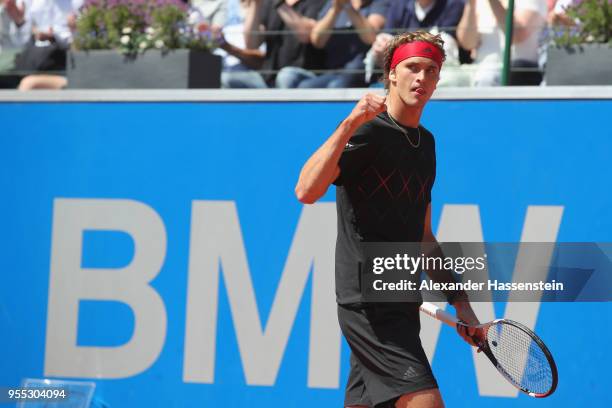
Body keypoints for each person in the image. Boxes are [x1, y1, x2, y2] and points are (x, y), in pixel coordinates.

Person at [295, 31, 481, 407]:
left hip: (398, 296)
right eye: (413, 68)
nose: (422, 79)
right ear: (392, 74)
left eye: (431, 70)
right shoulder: (367, 131)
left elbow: (424, 237)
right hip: (366, 300)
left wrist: (461, 304)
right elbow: (306, 191)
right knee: (426, 400)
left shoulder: (426, 144)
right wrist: (349, 123)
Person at [278, 0, 388, 88]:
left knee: (337, 86)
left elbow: (370, 37)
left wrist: (348, 7)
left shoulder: (377, 3)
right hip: (333, 71)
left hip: (359, 72)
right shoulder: (331, 4)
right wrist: (335, 10)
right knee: (304, 87)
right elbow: (317, 41)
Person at [456, 0, 547, 86]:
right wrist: (471, 5)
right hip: (478, 70)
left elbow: (517, 35)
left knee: (487, 78)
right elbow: (467, 43)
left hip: (516, 74)